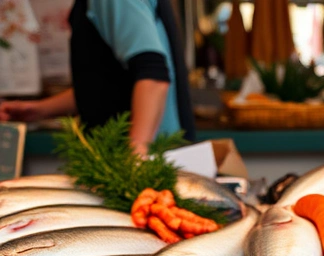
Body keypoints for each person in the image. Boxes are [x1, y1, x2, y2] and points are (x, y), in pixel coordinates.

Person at [0, 0, 195, 155]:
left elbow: (153, 77)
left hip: (148, 163)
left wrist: (136, 158)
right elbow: (105, 84)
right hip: (139, 160)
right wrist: (39, 110)